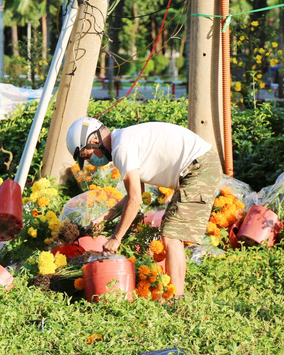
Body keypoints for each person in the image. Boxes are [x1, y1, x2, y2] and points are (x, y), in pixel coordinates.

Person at [66, 117, 222, 296]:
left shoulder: (121, 147)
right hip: (197, 166)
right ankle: (175, 295)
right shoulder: (123, 141)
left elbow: (135, 200)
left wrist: (116, 238)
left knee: (172, 235)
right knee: (172, 232)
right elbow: (133, 195)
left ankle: (176, 298)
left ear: (94, 142)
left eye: (87, 155)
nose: (91, 161)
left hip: (199, 168)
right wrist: (105, 217)